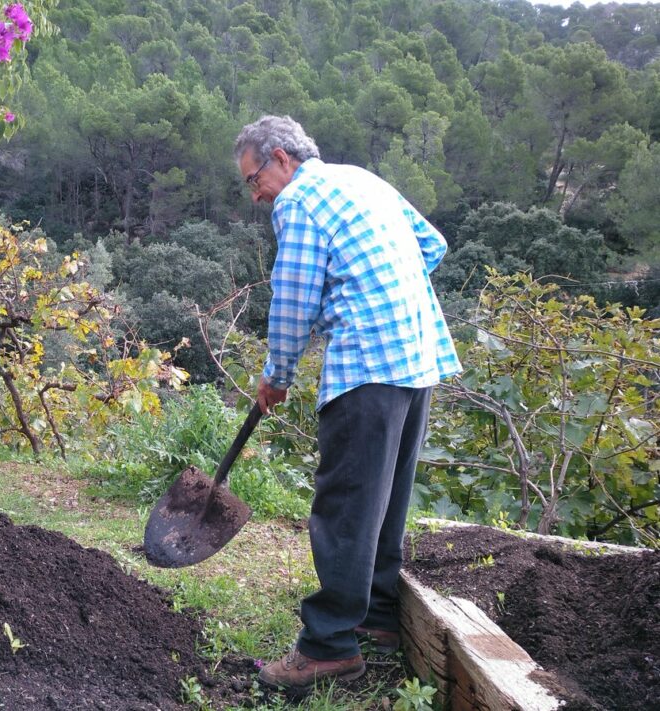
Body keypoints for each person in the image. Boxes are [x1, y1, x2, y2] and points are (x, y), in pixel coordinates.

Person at [233, 115, 461, 691]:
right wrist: (384, 284)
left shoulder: (300, 202)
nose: (256, 194)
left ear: (282, 158)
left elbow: (292, 299)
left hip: (369, 363)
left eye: (254, 178)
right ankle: (379, 620)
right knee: (384, 498)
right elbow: (430, 245)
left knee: (344, 506)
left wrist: (276, 375)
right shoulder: (363, 180)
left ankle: (328, 644)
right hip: (416, 355)